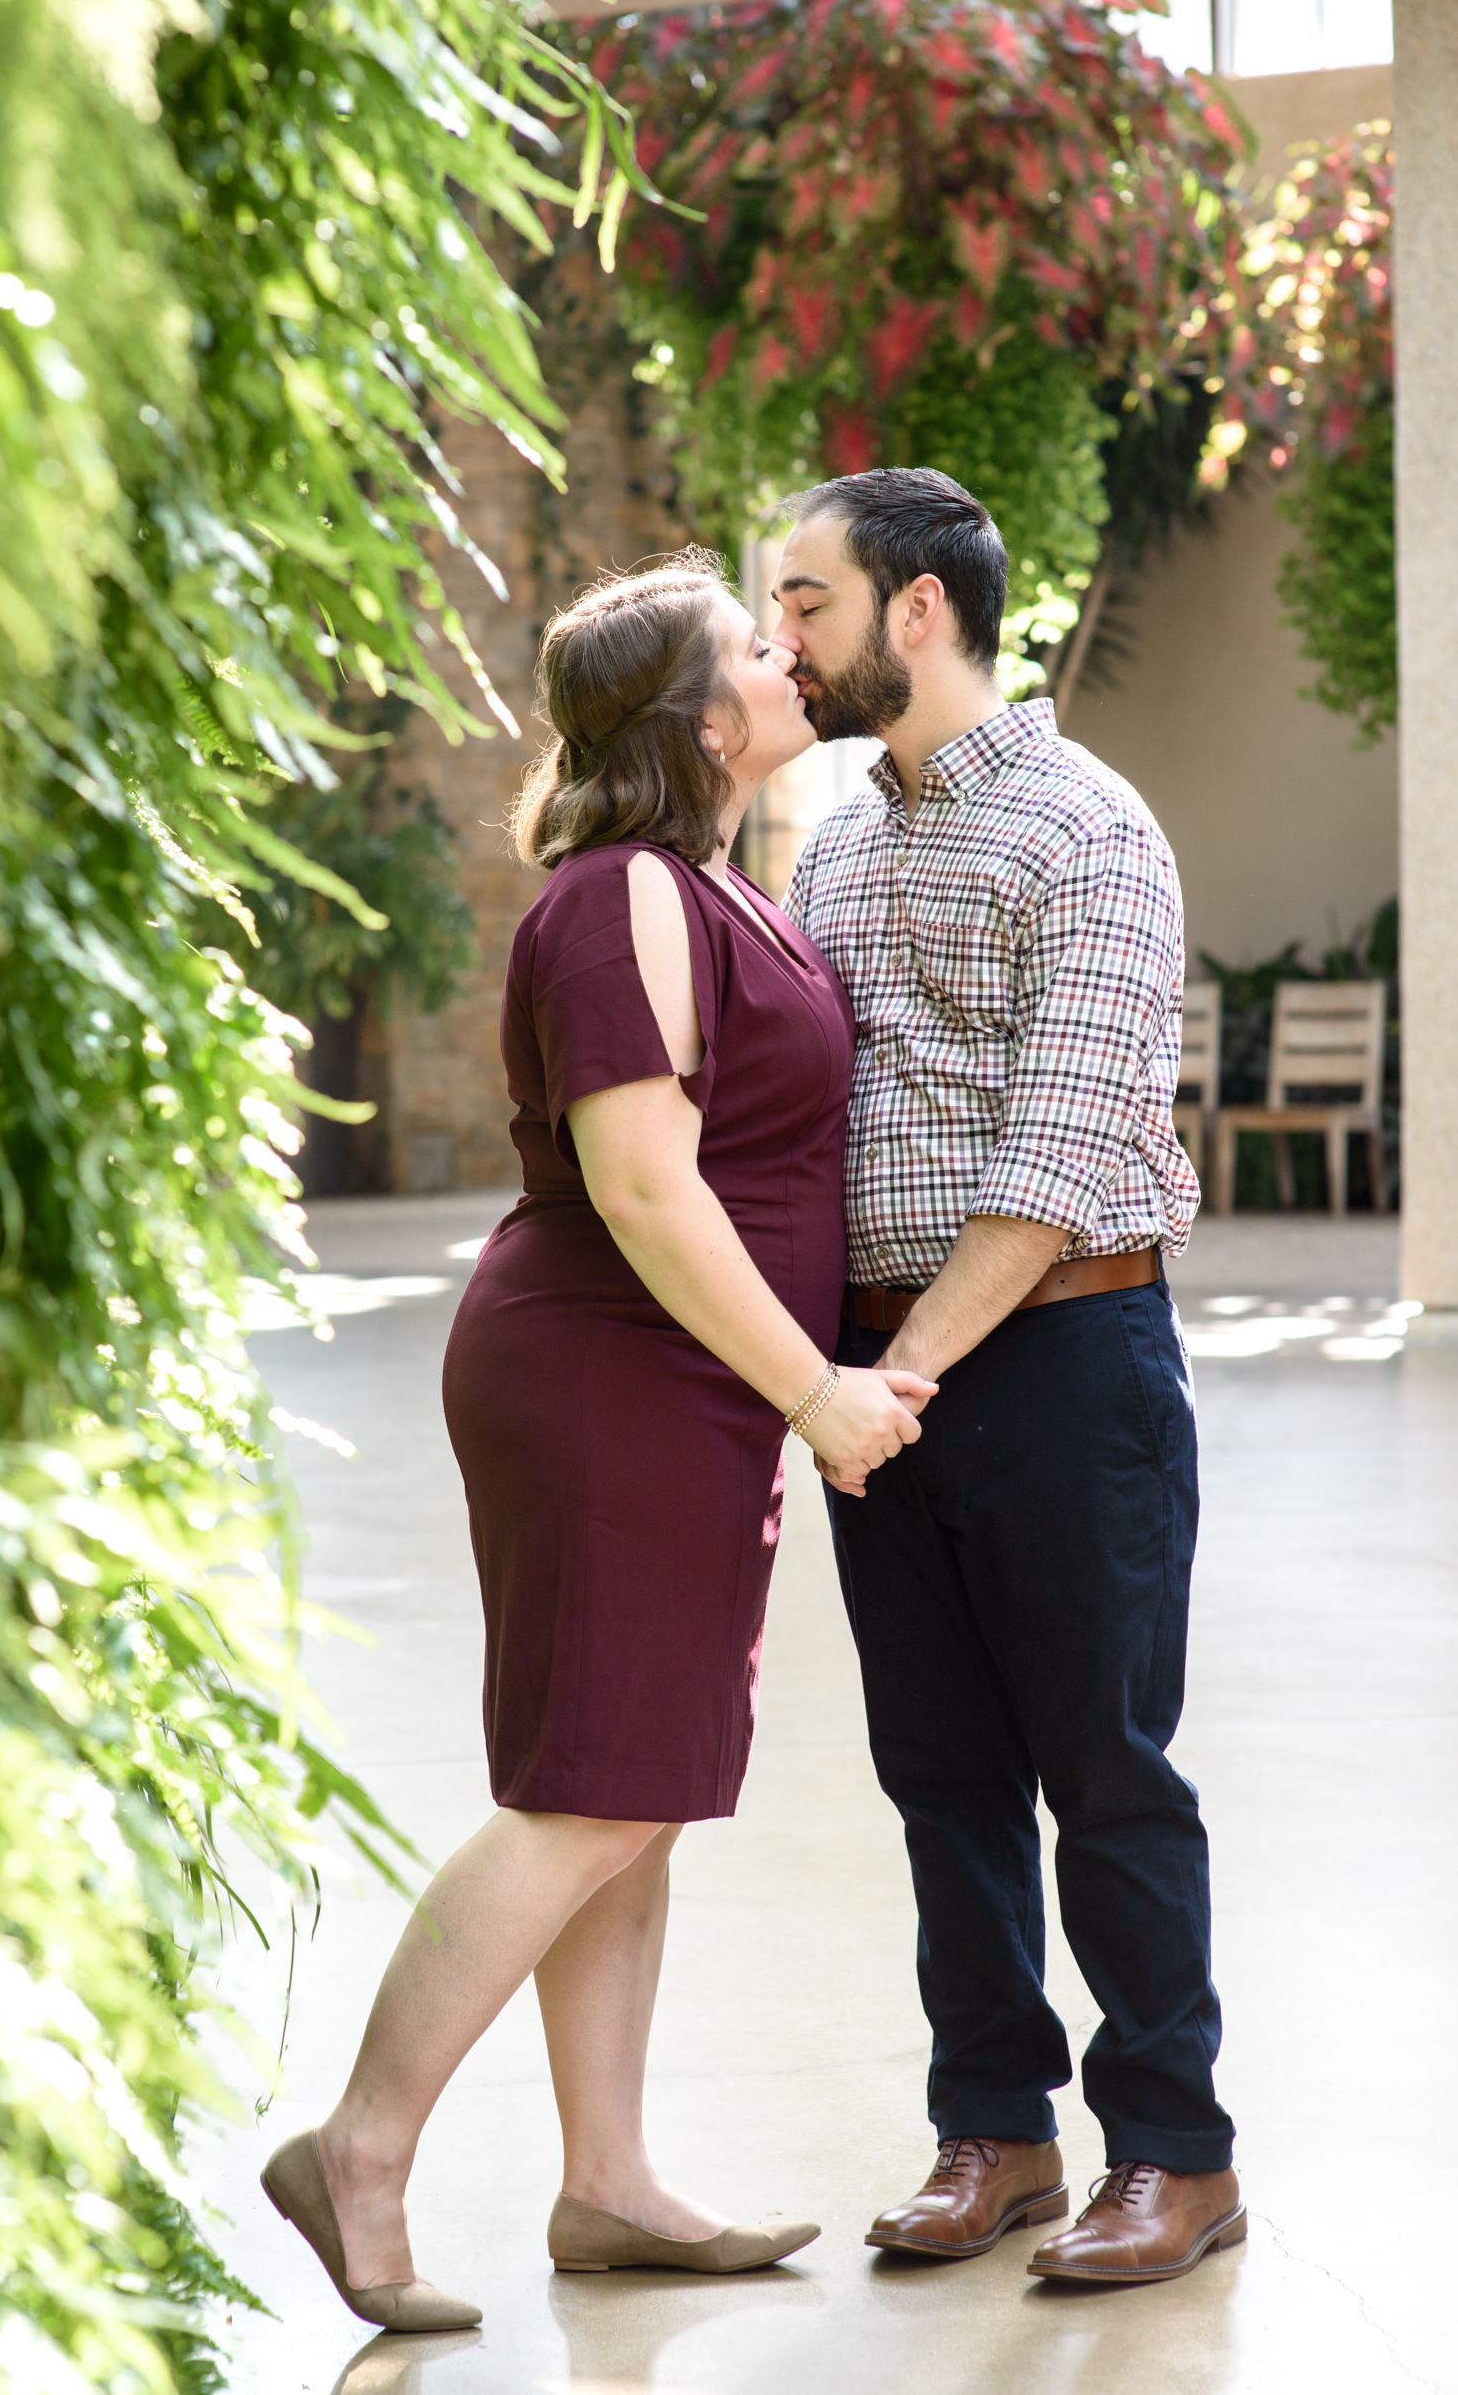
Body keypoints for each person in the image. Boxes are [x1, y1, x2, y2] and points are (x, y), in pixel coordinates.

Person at [259, 548, 935, 2332]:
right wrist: (814, 1389)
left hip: (682, 1380)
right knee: (591, 1786)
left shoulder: (724, 883)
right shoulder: (617, 892)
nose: (791, 658)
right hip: (607, 1368)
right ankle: (363, 2149)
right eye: (757, 643)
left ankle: (609, 2181)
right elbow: (641, 1184)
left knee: (630, 1790)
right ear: (697, 713)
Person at [774, 468, 1243, 2288]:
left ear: (914, 610)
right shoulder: (837, 840)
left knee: (1104, 1768)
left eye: (803, 603)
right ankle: (994, 2135)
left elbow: (1053, 1164)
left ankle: (1174, 2155)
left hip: (1061, 1360)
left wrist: (882, 1376)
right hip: (884, 1373)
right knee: (937, 1770)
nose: (779, 639)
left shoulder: (1088, 829)